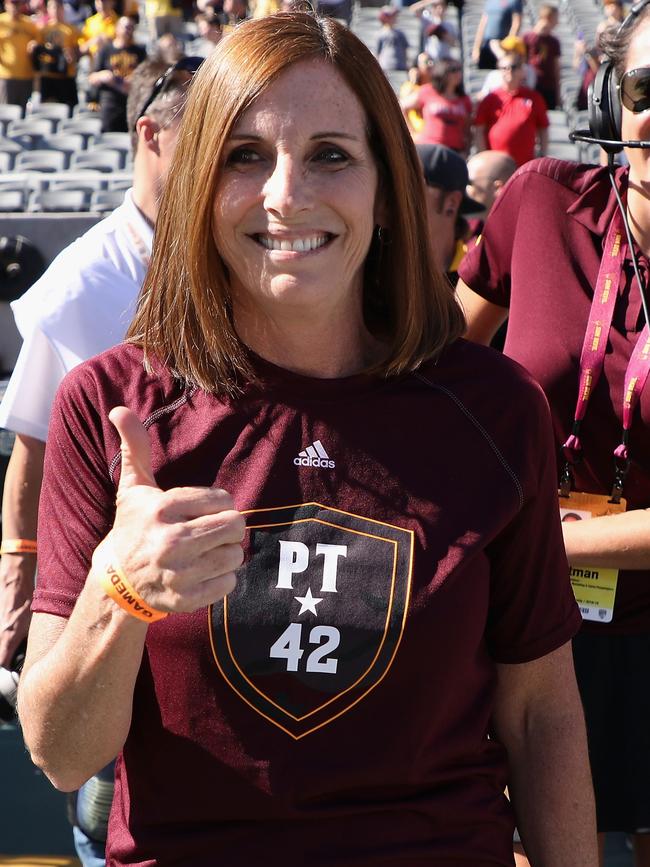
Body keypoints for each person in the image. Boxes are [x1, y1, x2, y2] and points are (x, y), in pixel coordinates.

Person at [17, 12, 597, 866]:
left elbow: (541, 713)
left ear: (385, 190)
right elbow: (62, 753)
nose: (287, 192)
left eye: (331, 153)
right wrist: (122, 591)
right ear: (198, 187)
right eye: (245, 155)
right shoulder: (109, 407)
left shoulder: (494, 408)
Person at [456, 3, 650, 863]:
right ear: (612, 103)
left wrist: (547, 542)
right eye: (648, 88)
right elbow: (428, 371)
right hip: (525, 628)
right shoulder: (539, 201)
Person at [0, 57, 195, 865]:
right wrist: (19, 573)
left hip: (213, 585)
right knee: (110, 801)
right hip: (115, 594)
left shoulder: (228, 256)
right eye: (208, 129)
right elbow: (34, 448)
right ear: (150, 133)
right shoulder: (87, 278)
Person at [416, 143, 483, 278]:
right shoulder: (375, 266)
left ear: (451, 203)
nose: (397, 193)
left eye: (413, 182)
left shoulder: (478, 275)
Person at [474, 50, 549, 166]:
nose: (508, 71)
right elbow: (479, 130)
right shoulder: (491, 98)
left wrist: (543, 153)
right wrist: (484, 157)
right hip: (496, 165)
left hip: (524, 164)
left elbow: (543, 129)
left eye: (513, 67)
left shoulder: (534, 98)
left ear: (521, 70)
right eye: (504, 68)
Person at [88, 16, 146, 132]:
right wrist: (103, 76)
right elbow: (92, 77)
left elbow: (145, 76)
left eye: (131, 28)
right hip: (110, 103)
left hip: (131, 102)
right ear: (117, 28)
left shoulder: (139, 51)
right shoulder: (106, 50)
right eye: (125, 27)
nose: (128, 31)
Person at [401, 57, 472, 153]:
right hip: (428, 146)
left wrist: (466, 151)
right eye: (453, 70)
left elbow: (467, 129)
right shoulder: (428, 91)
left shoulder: (464, 99)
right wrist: (412, 133)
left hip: (455, 150)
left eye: (459, 69)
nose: (458, 74)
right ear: (443, 71)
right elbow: (402, 106)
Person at [34, 0, 80, 107]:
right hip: (48, 74)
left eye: (58, 7)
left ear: (63, 9)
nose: (55, 11)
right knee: (46, 107)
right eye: (52, 7)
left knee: (69, 107)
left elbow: (76, 53)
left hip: (66, 75)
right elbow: (38, 53)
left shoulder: (71, 30)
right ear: (48, 9)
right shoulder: (43, 29)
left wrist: (71, 56)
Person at [465, 149, 517, 236]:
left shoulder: (520, 239)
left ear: (498, 188)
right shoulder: (466, 232)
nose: (462, 189)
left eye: (469, 183)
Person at [0, 0, 40, 108]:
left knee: (23, 113)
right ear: (6, 4)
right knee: (6, 112)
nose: (15, 7)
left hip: (26, 75)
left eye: (18, 3)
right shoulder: (1, 22)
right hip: (6, 75)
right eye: (13, 3)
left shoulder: (29, 24)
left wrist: (34, 45)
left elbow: (38, 42)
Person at [522, 3, 561, 110]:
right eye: (556, 18)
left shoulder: (554, 42)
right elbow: (523, 62)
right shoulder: (528, 38)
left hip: (549, 86)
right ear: (548, 18)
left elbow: (556, 68)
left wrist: (558, 93)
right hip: (532, 84)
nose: (558, 22)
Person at [471, 0, 522, 70]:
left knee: (504, 71)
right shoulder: (490, 2)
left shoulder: (514, 2)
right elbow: (482, 25)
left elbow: (516, 23)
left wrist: (508, 45)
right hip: (487, 45)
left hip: (502, 45)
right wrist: (476, 48)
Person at [375, 5, 409, 73]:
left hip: (400, 67)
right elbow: (377, 52)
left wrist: (406, 64)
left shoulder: (401, 33)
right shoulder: (380, 33)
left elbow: (405, 50)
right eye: (391, 16)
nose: (395, 18)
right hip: (385, 67)